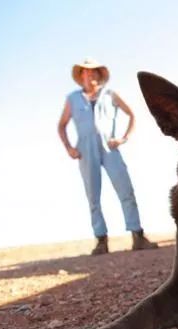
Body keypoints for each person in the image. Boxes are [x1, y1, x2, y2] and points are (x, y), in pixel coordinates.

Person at [57, 58, 158, 255]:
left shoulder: (110, 94)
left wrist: (123, 137)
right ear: (81, 76)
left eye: (94, 71)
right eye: (86, 72)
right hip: (85, 150)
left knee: (125, 190)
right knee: (93, 195)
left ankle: (137, 235)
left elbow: (131, 114)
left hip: (109, 147)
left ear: (99, 75)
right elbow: (61, 125)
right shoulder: (72, 99)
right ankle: (101, 240)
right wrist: (69, 147)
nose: (90, 75)